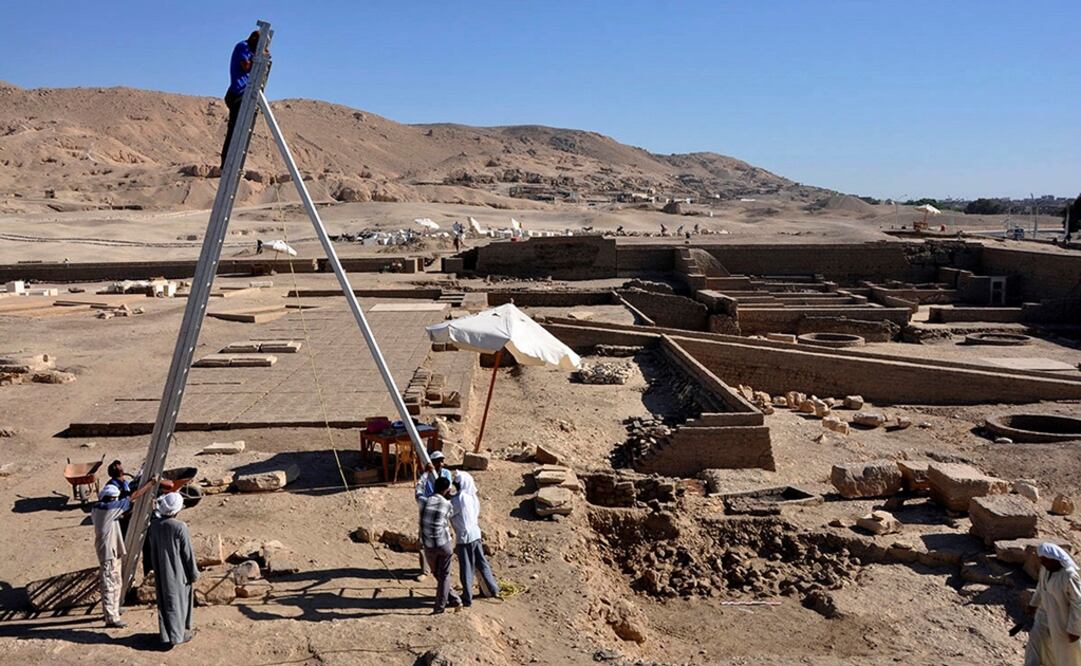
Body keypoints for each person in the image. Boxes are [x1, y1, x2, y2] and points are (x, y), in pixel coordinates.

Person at [91, 477, 157, 628]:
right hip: (108, 552)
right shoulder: (108, 509)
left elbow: (122, 513)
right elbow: (132, 497)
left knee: (116, 582)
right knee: (110, 584)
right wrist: (150, 484)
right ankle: (111, 617)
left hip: (110, 550)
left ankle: (114, 610)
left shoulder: (98, 508)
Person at [148, 492, 199, 648]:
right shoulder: (179, 527)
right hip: (178, 571)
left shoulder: (154, 526)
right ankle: (178, 635)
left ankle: (166, 634)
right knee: (178, 601)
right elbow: (187, 553)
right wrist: (194, 573)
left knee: (165, 601)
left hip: (160, 569)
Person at [1025, 542, 1081, 666]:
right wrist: (1033, 604)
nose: (1043, 563)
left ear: (1055, 559)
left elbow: (1078, 603)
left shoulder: (1069, 575)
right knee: (1035, 642)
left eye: (1046, 561)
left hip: (1061, 620)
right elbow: (1041, 587)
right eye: (1042, 561)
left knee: (1065, 655)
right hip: (1043, 614)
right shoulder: (1045, 569)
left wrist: (1074, 629)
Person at [450, 471, 500, 606]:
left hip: (465, 538)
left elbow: (449, 511)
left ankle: (467, 597)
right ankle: (493, 588)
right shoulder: (472, 498)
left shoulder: (458, 499)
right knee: (481, 563)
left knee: (466, 568)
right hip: (475, 534)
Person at [220, 31, 262, 170]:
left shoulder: (249, 49)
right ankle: (226, 162)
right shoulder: (243, 46)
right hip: (237, 94)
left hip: (243, 93)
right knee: (233, 130)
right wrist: (258, 58)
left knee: (239, 130)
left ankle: (232, 161)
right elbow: (246, 66)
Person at [419, 477, 461, 614]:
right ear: (446, 490)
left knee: (438, 574)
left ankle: (445, 604)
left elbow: (418, 492)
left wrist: (424, 475)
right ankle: (450, 601)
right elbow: (449, 515)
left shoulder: (424, 501)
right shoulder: (447, 504)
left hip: (429, 546)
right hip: (444, 544)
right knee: (444, 575)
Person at [414, 451, 453, 575]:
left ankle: (438, 568)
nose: (440, 463)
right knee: (424, 539)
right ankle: (425, 570)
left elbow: (448, 489)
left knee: (441, 536)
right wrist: (426, 473)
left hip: (440, 507)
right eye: (437, 461)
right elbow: (420, 487)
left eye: (441, 460)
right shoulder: (425, 473)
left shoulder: (446, 473)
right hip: (428, 507)